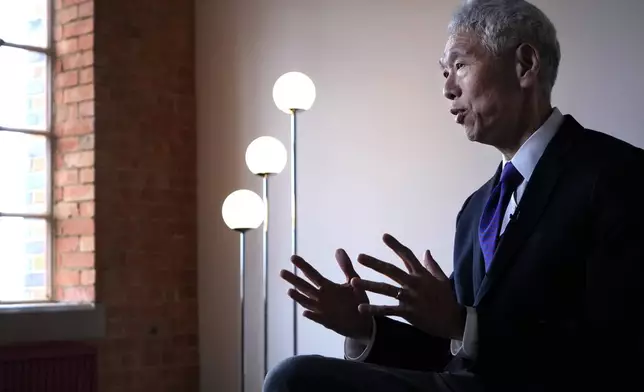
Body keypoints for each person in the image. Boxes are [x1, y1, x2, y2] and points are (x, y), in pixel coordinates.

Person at [263, 0, 644, 391]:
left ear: (525, 65)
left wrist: (465, 324)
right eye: (445, 73)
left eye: (460, 66)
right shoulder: (475, 210)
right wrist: (365, 327)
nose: (447, 89)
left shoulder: (620, 175)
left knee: (295, 380)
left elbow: (620, 347)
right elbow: (453, 353)